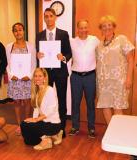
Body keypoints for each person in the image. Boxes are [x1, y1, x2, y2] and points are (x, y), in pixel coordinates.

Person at [36, 8, 72, 138]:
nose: (48, 18)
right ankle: (47, 127)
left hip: (61, 72)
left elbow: (69, 53)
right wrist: (37, 55)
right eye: (46, 16)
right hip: (46, 73)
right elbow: (38, 54)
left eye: (51, 16)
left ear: (55, 17)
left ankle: (61, 129)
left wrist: (63, 57)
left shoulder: (63, 34)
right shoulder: (39, 35)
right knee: (45, 100)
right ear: (44, 18)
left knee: (61, 100)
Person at [96, 15, 135, 124]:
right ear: (101, 28)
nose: (107, 28)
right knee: (105, 106)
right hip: (103, 82)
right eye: (104, 26)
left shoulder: (121, 39)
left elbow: (131, 59)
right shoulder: (99, 45)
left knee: (118, 107)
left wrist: (129, 78)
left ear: (113, 27)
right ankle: (110, 132)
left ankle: (119, 135)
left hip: (119, 81)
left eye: (109, 25)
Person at [68, 20, 99, 138]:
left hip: (90, 76)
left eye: (85, 27)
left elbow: (102, 52)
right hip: (76, 77)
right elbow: (65, 53)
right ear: (77, 29)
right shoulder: (71, 41)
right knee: (75, 103)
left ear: (88, 28)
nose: (83, 30)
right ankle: (75, 127)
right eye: (81, 28)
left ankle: (91, 128)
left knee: (90, 103)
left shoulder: (94, 40)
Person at [20, 68, 63, 150]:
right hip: (43, 122)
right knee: (25, 129)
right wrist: (32, 119)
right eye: (35, 76)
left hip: (53, 124)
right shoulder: (37, 91)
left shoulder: (49, 90)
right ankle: (52, 136)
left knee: (27, 126)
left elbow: (51, 110)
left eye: (40, 76)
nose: (37, 78)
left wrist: (36, 120)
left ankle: (47, 140)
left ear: (45, 78)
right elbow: (36, 109)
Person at [6, 22, 36, 135]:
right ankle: (19, 125)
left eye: (20, 29)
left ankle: (27, 123)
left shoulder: (31, 46)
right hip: (14, 79)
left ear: (24, 31)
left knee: (27, 101)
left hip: (26, 78)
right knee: (17, 102)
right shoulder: (9, 46)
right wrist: (10, 75)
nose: (18, 32)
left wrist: (29, 76)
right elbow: (7, 63)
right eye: (15, 30)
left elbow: (34, 63)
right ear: (13, 33)